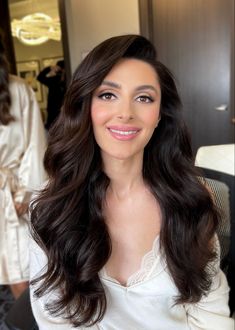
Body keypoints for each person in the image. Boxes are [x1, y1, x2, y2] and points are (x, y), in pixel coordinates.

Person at [29, 34, 234, 329]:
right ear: (86, 106)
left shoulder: (191, 198)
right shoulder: (50, 209)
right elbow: (57, 321)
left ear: (160, 115)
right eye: (108, 95)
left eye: (143, 98)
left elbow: (210, 310)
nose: (125, 113)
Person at [0, 32, 47, 299]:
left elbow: (35, 145)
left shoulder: (18, 90)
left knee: (19, 272)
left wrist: (25, 193)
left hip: (10, 193)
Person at [37, 59, 66, 130]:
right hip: (52, 112)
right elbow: (40, 77)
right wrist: (49, 68)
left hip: (66, 113)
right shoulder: (53, 80)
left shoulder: (70, 80)